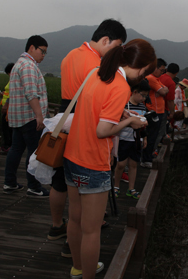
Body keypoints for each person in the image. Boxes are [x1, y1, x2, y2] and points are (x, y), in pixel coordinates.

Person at [63, 39, 156, 279]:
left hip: (72, 155)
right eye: (146, 71)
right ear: (141, 67)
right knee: (92, 230)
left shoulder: (97, 72)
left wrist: (122, 113)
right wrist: (131, 122)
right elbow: (102, 131)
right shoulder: (121, 86)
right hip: (92, 162)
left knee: (74, 220)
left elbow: (93, 108)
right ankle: (88, 275)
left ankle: (77, 267)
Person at [51, 19, 127, 255]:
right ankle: (74, 245)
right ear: (106, 41)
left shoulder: (70, 55)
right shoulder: (97, 63)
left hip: (65, 118)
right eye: (117, 46)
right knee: (84, 190)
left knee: (60, 179)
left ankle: (56, 226)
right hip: (85, 123)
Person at [3, 35, 50, 197]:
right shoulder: (29, 66)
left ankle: (9, 182)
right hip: (30, 117)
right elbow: (31, 94)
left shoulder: (18, 64)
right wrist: (39, 116)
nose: (43, 55)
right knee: (34, 152)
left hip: (19, 118)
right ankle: (34, 186)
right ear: (32, 48)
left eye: (45, 53)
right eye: (42, 51)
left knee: (16, 149)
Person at [113, 79, 150, 200]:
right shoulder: (123, 105)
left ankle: (131, 188)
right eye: (142, 95)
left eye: (146, 96)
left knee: (134, 164)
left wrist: (144, 137)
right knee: (121, 164)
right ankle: (116, 186)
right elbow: (116, 121)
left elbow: (143, 124)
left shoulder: (142, 107)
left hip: (136, 139)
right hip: (123, 138)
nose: (144, 98)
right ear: (134, 92)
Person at [142, 59, 168, 168]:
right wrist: (161, 91)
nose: (162, 73)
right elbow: (163, 91)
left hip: (159, 111)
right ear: (155, 68)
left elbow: (166, 90)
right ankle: (146, 159)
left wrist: (162, 90)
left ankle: (148, 157)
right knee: (151, 136)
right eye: (161, 70)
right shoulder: (151, 78)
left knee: (154, 135)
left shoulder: (157, 79)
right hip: (153, 112)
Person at [155, 62, 179, 149]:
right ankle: (154, 151)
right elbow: (170, 100)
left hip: (153, 106)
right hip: (162, 109)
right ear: (176, 73)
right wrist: (172, 112)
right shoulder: (171, 83)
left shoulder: (158, 77)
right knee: (160, 131)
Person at [0, 63, 14, 154]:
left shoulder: (14, 80)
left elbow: (13, 93)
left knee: (6, 127)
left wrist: (5, 105)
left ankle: (7, 146)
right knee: (7, 127)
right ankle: (9, 146)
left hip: (9, 108)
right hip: (9, 107)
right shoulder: (12, 79)